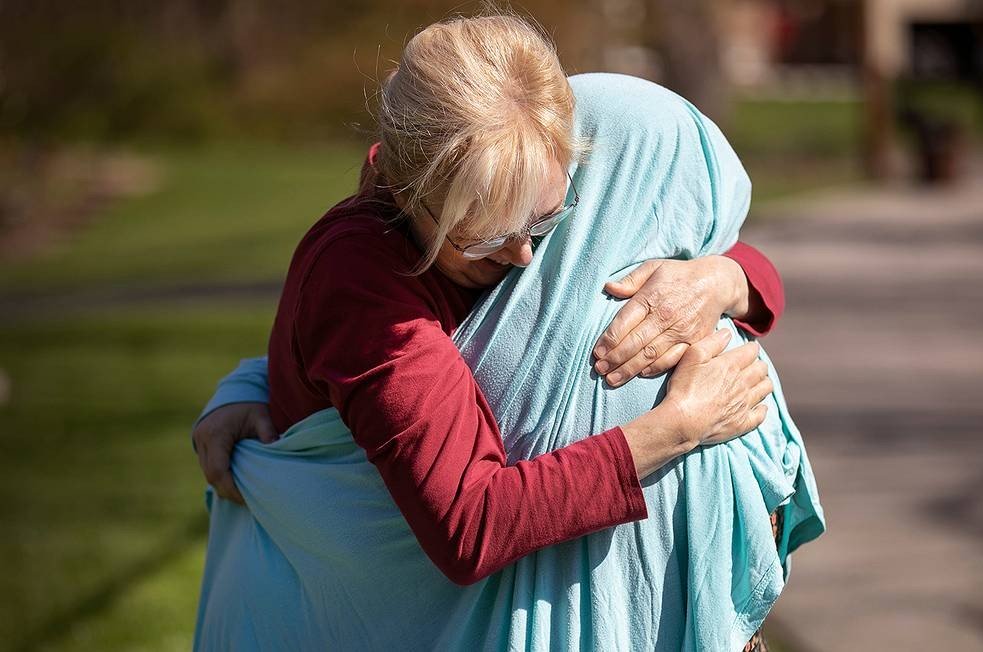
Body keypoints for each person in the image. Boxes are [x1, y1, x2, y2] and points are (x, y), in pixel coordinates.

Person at [193, 14, 823, 651]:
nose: (524, 255)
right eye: (489, 235)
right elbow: (470, 525)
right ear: (410, 193)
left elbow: (754, 268)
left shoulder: (505, 173)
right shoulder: (363, 281)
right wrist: (677, 427)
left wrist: (717, 281)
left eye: (547, 221)